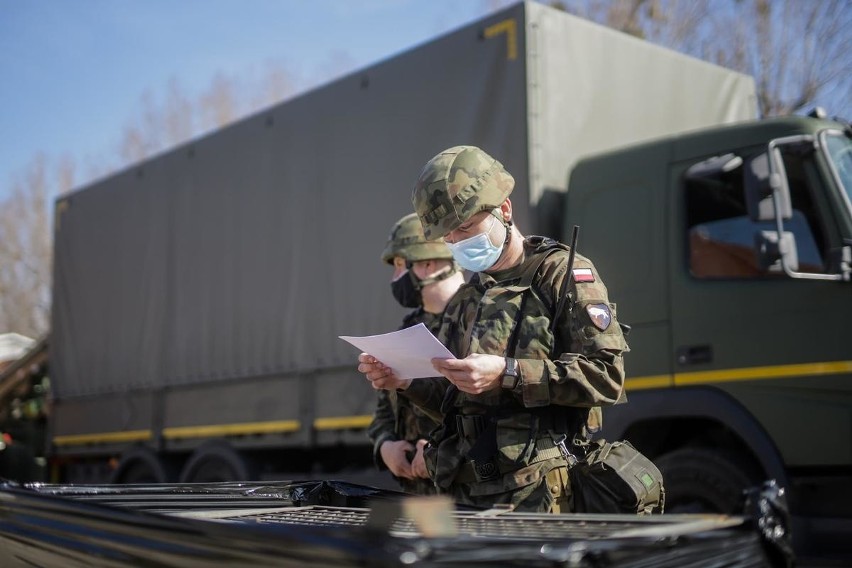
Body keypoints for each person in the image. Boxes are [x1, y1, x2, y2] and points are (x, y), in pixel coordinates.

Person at [359, 146, 628, 512]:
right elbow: (458, 407)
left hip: (540, 498)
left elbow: (607, 377)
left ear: (504, 209)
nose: (458, 242)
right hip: (469, 497)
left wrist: (508, 372)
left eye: (466, 228)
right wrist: (404, 382)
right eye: (449, 238)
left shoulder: (560, 274)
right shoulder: (469, 296)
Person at [367, 212, 465, 494]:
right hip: (420, 490)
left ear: (428, 263)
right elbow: (386, 408)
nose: (396, 277)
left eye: (400, 266)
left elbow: (488, 413)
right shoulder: (409, 328)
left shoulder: (478, 320)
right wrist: (385, 444)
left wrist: (439, 450)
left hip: (466, 491)